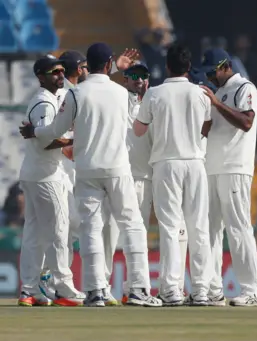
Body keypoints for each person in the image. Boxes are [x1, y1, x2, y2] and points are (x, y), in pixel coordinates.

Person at [19, 43, 161, 307]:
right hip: (118, 168)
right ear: (108, 64)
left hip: (86, 170)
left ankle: (95, 291)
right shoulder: (121, 93)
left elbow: (54, 129)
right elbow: (137, 122)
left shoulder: (75, 94)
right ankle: (140, 288)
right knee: (131, 224)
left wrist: (34, 132)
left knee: (90, 229)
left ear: (89, 66)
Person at [133, 43, 213, 306]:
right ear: (189, 67)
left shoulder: (154, 94)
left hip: (166, 163)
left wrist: (145, 104)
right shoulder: (201, 93)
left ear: (167, 66)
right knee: (198, 226)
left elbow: (139, 130)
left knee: (170, 227)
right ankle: (201, 289)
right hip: (195, 162)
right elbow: (207, 125)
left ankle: (170, 289)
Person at [17, 55, 85, 307]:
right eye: (53, 72)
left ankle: (29, 290)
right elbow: (47, 142)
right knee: (59, 231)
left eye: (60, 71)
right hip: (47, 175)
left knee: (34, 235)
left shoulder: (53, 98)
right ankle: (63, 288)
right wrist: (73, 141)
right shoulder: (45, 103)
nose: (59, 75)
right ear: (39, 77)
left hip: (36, 173)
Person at [200, 48, 257, 307]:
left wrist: (216, 104)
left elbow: (247, 122)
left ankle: (252, 290)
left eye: (212, 71)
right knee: (211, 230)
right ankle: (214, 289)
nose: (209, 76)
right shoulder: (220, 91)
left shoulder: (244, 88)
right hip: (212, 167)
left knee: (238, 229)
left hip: (235, 167)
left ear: (225, 65)